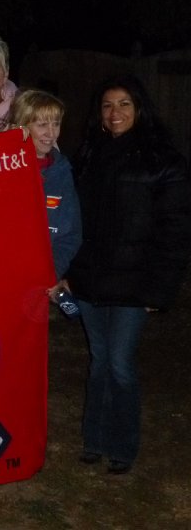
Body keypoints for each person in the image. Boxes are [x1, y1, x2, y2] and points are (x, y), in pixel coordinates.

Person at [65, 75, 191, 474]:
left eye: (123, 104)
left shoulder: (163, 161)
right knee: (99, 360)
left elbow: (175, 230)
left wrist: (160, 289)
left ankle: (122, 445)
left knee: (119, 363)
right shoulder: (87, 155)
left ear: (139, 109)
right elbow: (72, 221)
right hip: (90, 279)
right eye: (107, 105)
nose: (114, 113)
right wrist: (67, 271)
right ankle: (94, 440)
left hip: (135, 284)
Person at [10, 89, 81, 293]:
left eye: (56, 123)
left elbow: (70, 235)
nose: (51, 133)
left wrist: (52, 273)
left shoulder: (61, 172)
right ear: (21, 127)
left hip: (37, 287)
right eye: (42, 125)